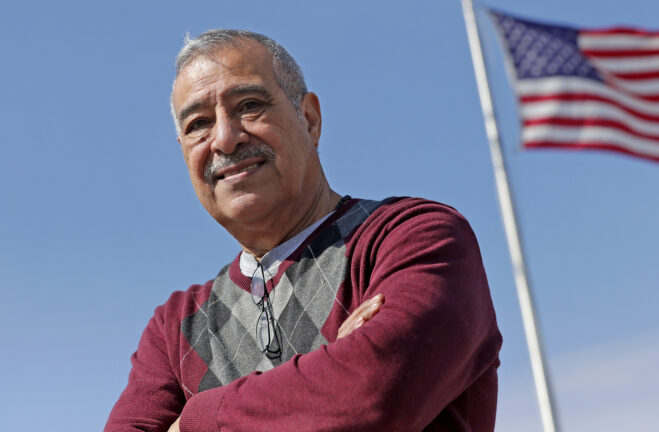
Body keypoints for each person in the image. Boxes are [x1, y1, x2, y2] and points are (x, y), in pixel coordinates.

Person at [105, 29, 502, 432]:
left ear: (309, 119)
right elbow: (347, 400)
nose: (224, 139)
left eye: (249, 106)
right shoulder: (176, 326)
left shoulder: (411, 238)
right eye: (198, 124)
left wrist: (195, 422)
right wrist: (330, 373)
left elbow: (372, 399)